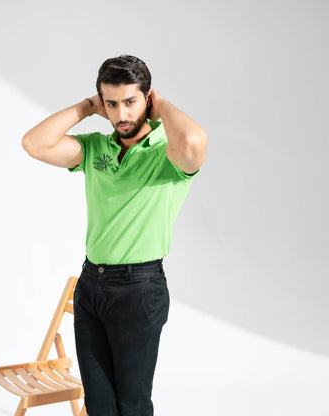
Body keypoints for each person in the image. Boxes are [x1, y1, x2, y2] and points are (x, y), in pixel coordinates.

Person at [22, 55, 208, 416]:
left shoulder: (168, 152)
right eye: (111, 104)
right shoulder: (95, 148)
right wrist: (87, 106)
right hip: (91, 285)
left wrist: (162, 106)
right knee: (99, 404)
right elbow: (34, 144)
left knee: (132, 404)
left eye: (130, 102)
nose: (121, 114)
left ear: (148, 99)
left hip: (139, 289)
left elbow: (193, 141)